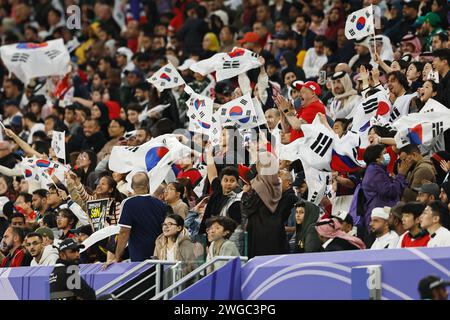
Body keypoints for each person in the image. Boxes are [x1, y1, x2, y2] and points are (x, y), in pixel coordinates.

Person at [110, 172, 167, 264]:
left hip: (138, 256)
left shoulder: (128, 204)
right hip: (159, 254)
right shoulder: (160, 204)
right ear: (148, 185)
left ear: (132, 186)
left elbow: (124, 232)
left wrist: (117, 257)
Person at [360, 144, 412, 236]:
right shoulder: (374, 171)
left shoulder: (379, 170)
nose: (387, 155)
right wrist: (401, 175)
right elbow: (390, 191)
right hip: (379, 219)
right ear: (377, 158)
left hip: (383, 216)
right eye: (385, 153)